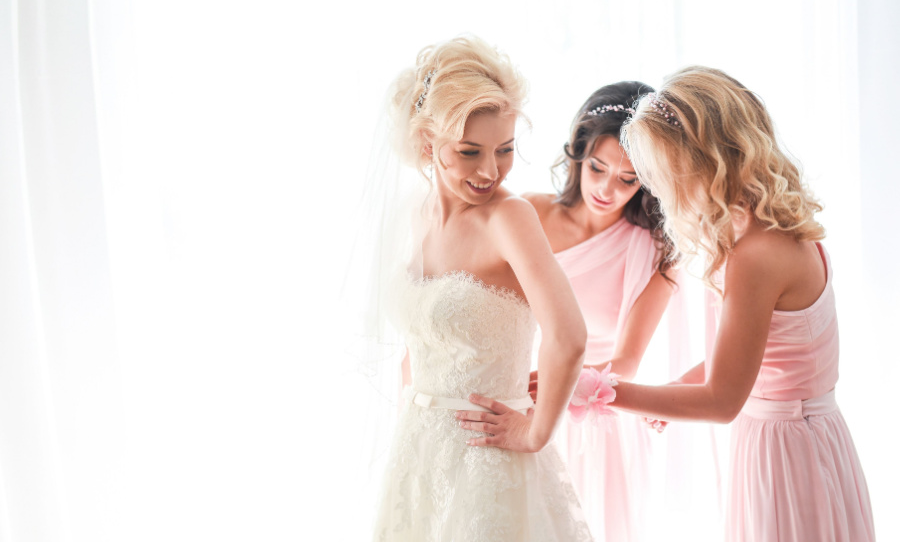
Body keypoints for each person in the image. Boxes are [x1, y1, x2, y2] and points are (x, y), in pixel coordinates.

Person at [463, 65, 874, 541]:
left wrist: (591, 386)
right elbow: (767, 351)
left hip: (786, 447)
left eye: (656, 174)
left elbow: (721, 401)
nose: (659, 191)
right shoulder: (772, 232)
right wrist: (681, 382)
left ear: (703, 162)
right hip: (795, 436)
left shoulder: (757, 254)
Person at [371, 35, 595, 541]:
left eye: (506, 150)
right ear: (428, 143)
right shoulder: (413, 215)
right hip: (418, 453)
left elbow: (569, 335)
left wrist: (537, 431)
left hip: (488, 462)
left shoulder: (509, 217)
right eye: (470, 152)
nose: (491, 171)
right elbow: (417, 345)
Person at [520, 81, 677, 541]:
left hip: (594, 423)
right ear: (578, 154)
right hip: (516, 398)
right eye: (597, 168)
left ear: (648, 182)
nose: (607, 189)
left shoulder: (656, 252)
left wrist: (554, 385)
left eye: (627, 179)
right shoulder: (526, 213)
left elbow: (626, 363)